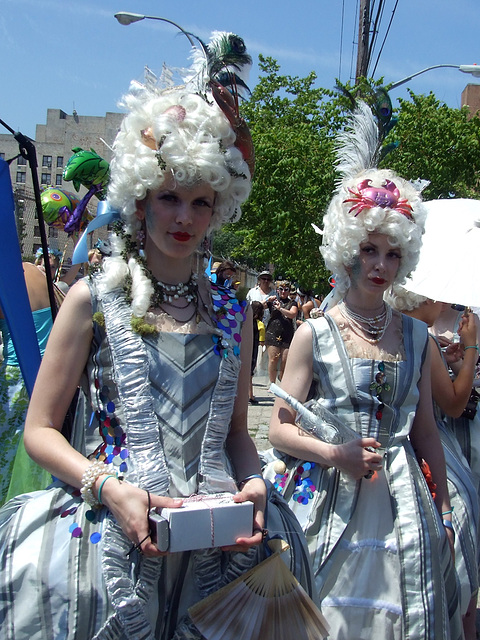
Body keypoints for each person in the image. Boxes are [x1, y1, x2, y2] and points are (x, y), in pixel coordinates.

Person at [0, 39, 313, 639]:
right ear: (140, 199)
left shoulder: (233, 312)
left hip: (220, 548)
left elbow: (234, 438)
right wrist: (109, 489)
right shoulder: (94, 299)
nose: (183, 218)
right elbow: (39, 431)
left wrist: (253, 486)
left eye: (201, 202)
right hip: (105, 542)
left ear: (219, 207)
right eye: (169, 197)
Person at [264, 103, 462, 639]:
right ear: (348, 251)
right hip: (324, 493)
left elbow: (424, 430)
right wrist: (334, 454)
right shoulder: (314, 332)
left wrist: (442, 505)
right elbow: (278, 428)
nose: (380, 265)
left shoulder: (417, 336)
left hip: (402, 503)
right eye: (369, 250)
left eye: (392, 254)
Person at [388, 287, 479, 639]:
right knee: (463, 511)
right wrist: (471, 347)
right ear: (421, 298)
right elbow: (454, 403)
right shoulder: (418, 335)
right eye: (439, 295)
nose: (444, 302)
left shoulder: (402, 331)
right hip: (429, 445)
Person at [0, 262, 53, 505]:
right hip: (47, 375)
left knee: (9, 447)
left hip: (16, 376)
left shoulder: (6, 277)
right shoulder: (36, 272)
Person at [265, 281, 298, 384]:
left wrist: (280, 309)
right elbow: (257, 306)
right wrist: (266, 300)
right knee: (273, 359)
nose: (283, 292)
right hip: (273, 332)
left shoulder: (292, 303)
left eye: (286, 290)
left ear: (289, 291)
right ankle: (272, 382)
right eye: (281, 289)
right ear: (278, 290)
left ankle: (282, 378)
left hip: (287, 333)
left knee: (285, 360)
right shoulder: (273, 301)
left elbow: (292, 314)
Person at [249, 300, 265, 404]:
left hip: (242, 349)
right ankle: (251, 396)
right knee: (250, 374)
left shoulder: (245, 321)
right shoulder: (260, 325)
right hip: (253, 350)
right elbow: (262, 342)